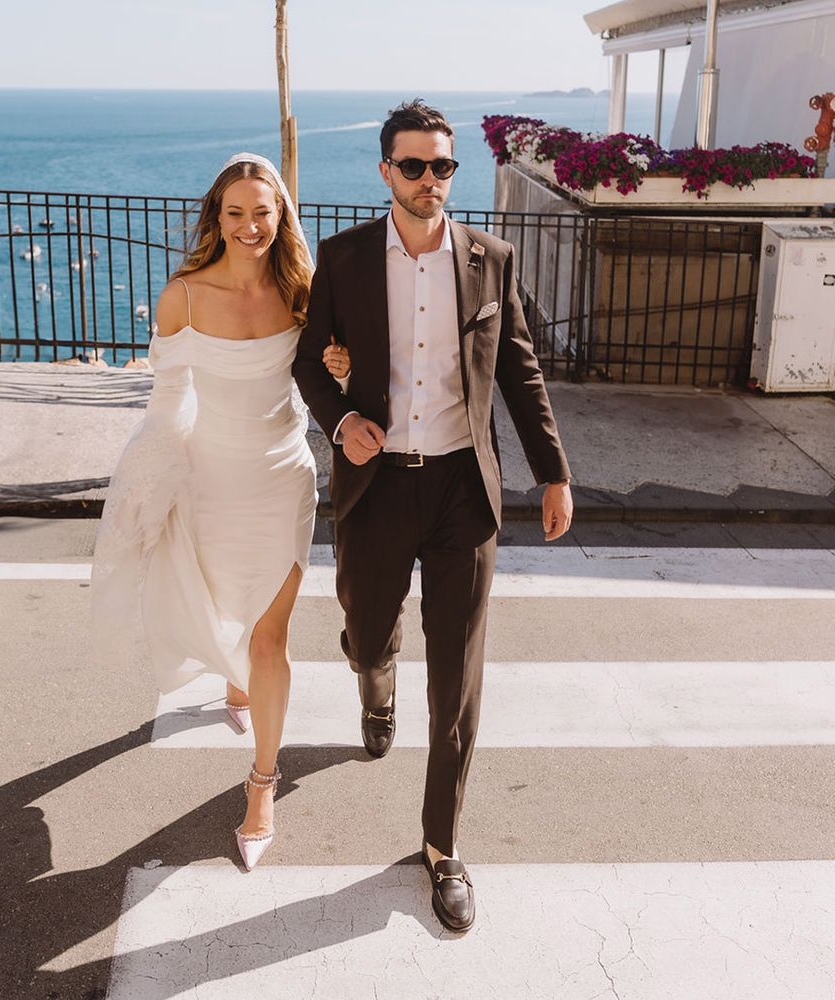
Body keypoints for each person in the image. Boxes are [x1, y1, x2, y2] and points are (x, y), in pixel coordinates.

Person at [293, 101, 574, 931]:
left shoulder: (490, 259)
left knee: (456, 679)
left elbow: (519, 371)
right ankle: (373, 682)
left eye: (441, 166)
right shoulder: (343, 260)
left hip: (462, 491)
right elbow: (311, 363)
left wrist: (552, 472)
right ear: (385, 171)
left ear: (453, 172)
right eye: (412, 166)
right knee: (367, 627)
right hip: (377, 490)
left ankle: (442, 846)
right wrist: (342, 423)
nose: (428, 180)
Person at [92, 153, 345, 871]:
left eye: (262, 212)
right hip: (207, 479)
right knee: (222, 599)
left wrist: (341, 369)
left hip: (281, 479)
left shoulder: (303, 290)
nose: (249, 226)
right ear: (217, 217)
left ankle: (261, 784)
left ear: (281, 215)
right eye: (235, 213)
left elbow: (330, 370)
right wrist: (147, 484)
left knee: (270, 635)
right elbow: (167, 402)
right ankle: (235, 681)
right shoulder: (184, 298)